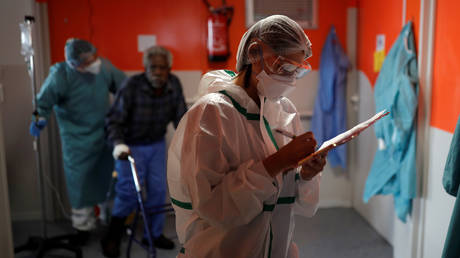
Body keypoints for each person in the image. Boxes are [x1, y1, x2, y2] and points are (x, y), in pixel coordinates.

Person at [167, 15, 327, 258]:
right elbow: (215, 208)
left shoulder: (284, 111)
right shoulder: (211, 114)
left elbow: (298, 205)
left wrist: (305, 174)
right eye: (285, 68)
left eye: (297, 71)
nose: (290, 79)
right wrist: (279, 161)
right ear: (254, 54)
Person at [29, 38, 126, 244]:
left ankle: (109, 223)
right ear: (75, 63)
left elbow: (125, 88)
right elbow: (43, 102)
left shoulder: (104, 68)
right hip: (77, 142)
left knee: (107, 181)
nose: (94, 63)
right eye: (87, 61)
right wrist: (40, 118)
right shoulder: (61, 74)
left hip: (105, 137)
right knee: (80, 185)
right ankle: (83, 228)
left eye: (94, 58)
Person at [102, 46, 187, 257]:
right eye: (153, 67)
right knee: (129, 192)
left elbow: (182, 119)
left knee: (158, 191)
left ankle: (153, 235)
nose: (157, 71)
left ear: (169, 68)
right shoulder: (132, 86)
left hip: (157, 144)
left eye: (162, 67)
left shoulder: (174, 84)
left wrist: (191, 140)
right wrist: (119, 144)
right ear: (145, 67)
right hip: (130, 145)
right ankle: (112, 237)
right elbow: (114, 120)